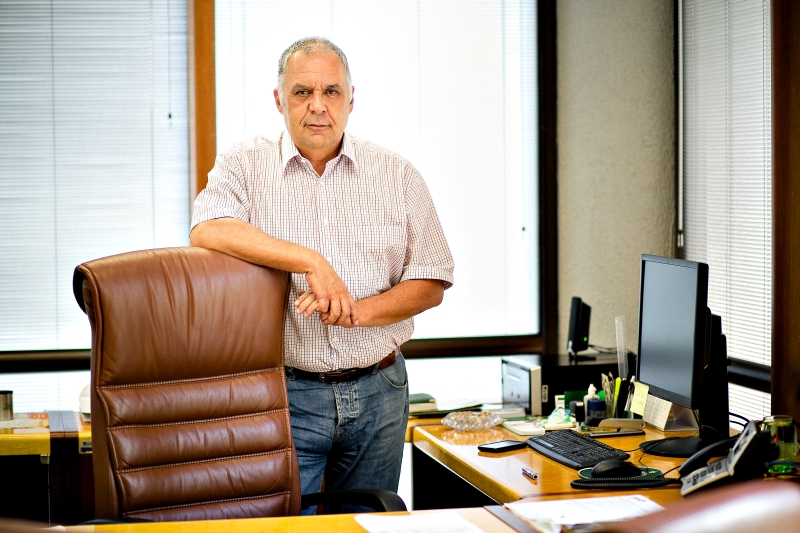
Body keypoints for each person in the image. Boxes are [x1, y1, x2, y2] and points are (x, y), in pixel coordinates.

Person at [190, 37, 454, 509]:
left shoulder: (397, 175)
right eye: (302, 92)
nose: (317, 106)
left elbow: (431, 280)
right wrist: (310, 260)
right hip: (287, 393)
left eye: (331, 91)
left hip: (381, 391)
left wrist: (355, 312)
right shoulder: (244, 164)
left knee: (370, 521)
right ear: (279, 100)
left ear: (351, 99)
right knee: (289, 522)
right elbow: (207, 228)